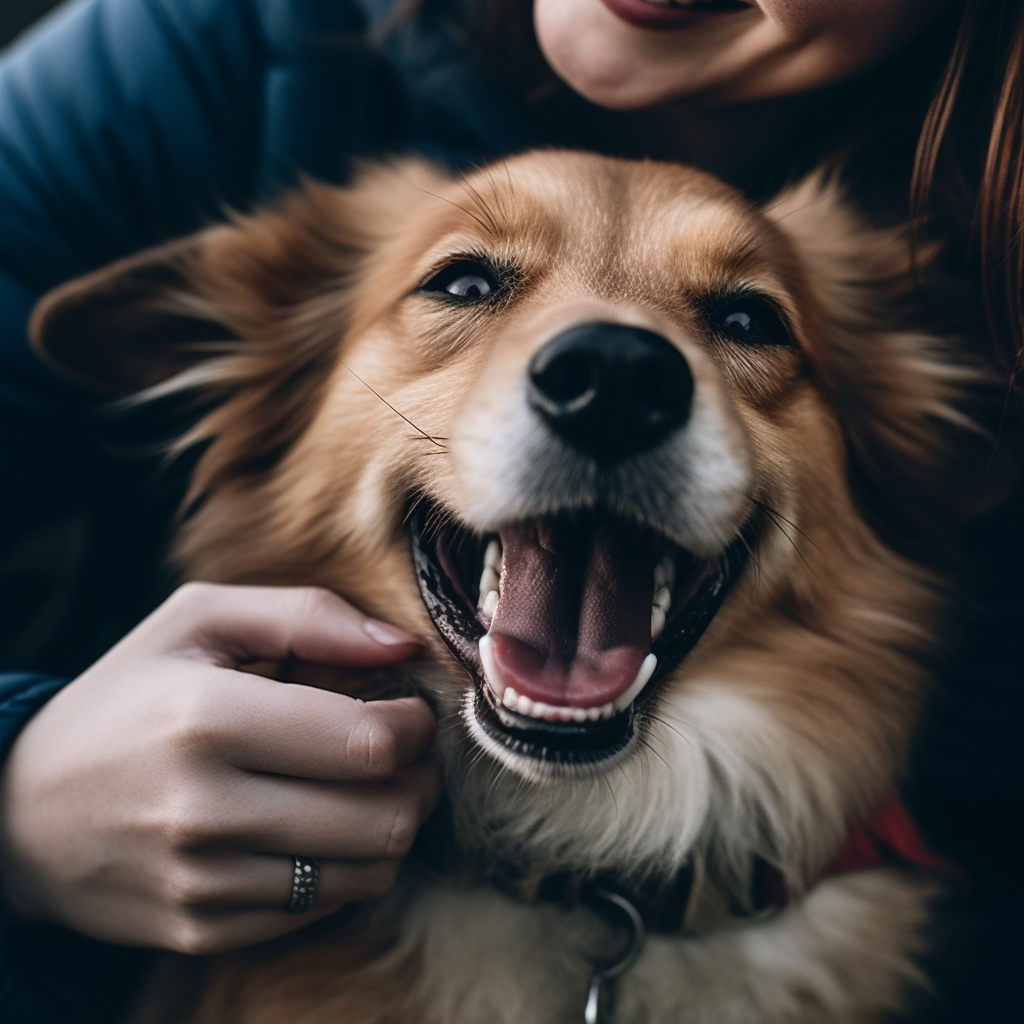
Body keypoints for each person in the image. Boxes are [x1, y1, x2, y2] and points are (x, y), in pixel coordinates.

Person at [0, 1, 1019, 1021]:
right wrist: (17, 785)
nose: (614, 354)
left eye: (742, 318)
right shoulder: (205, 48)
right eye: (468, 280)